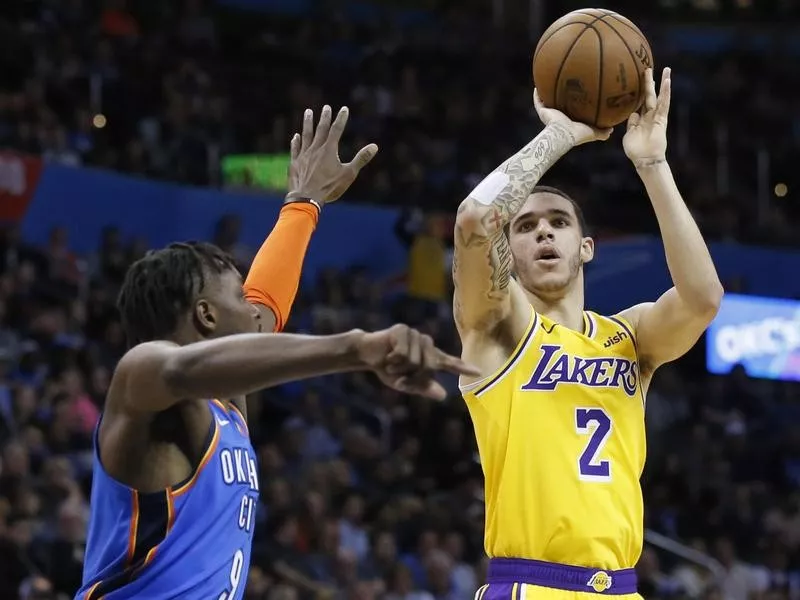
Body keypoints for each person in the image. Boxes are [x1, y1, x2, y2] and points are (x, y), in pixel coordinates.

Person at [76, 105, 479, 600]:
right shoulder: (143, 374)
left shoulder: (226, 398)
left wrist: (303, 203)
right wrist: (357, 346)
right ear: (206, 317)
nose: (256, 311)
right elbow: (186, 367)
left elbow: (268, 307)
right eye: (238, 294)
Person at [452, 67, 723, 599]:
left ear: (586, 247)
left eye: (558, 222)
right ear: (513, 252)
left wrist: (652, 163)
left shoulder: (631, 337)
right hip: (531, 584)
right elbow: (474, 219)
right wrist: (562, 134)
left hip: (622, 588)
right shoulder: (500, 332)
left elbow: (703, 298)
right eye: (526, 227)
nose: (544, 231)